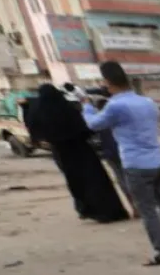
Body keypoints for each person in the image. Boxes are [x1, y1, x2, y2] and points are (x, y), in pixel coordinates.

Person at [83, 63, 160, 265]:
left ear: (107, 83)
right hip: (158, 160)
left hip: (136, 163)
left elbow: (94, 124)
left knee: (148, 210)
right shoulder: (147, 102)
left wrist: (87, 107)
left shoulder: (115, 106)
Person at [26, 83, 129, 225]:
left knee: (77, 182)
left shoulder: (39, 112)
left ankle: (89, 211)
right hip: (82, 151)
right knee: (96, 181)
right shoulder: (68, 109)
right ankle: (109, 211)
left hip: (62, 153)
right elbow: (87, 128)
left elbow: (35, 130)